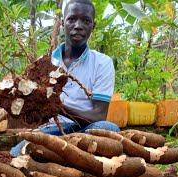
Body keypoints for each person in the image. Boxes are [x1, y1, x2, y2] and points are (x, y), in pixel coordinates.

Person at [10, 0, 119, 157]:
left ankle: (57, 152)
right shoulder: (46, 63)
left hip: (84, 130)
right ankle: (63, 152)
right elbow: (34, 114)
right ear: (62, 22)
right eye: (72, 19)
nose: (78, 25)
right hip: (50, 131)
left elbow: (99, 115)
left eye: (85, 21)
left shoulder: (102, 63)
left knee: (108, 128)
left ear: (93, 26)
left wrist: (58, 106)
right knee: (14, 154)